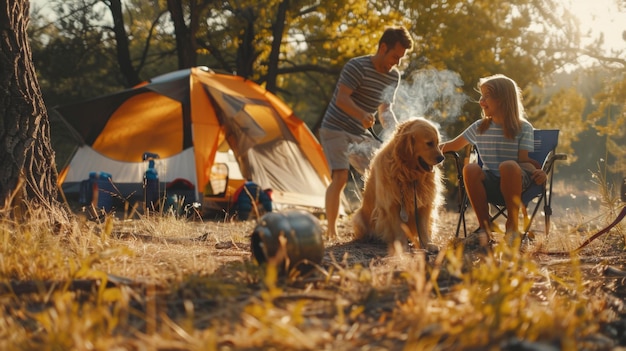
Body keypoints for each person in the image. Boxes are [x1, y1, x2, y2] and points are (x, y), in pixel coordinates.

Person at [319, 26, 414, 238]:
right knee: (341, 176)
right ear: (382, 47)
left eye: (401, 58)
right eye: (395, 56)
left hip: (359, 132)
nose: (397, 62)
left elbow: (385, 110)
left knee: (384, 172)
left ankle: (376, 226)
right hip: (334, 128)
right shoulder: (357, 66)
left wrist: (397, 133)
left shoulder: (393, 77)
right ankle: (332, 232)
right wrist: (362, 114)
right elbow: (342, 99)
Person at [440, 74, 547, 245]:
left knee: (509, 166)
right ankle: (484, 228)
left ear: (503, 99)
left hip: (517, 182)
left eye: (487, 96)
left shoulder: (523, 127)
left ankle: (512, 225)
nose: (481, 101)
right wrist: (423, 149)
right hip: (489, 184)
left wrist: (538, 172)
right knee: (471, 169)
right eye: (481, 96)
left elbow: (524, 161)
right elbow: (452, 145)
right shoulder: (479, 127)